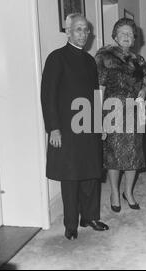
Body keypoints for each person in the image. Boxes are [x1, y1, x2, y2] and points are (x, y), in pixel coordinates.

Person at [41, 13, 108, 240]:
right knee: (70, 176)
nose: (83, 34)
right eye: (78, 29)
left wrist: (100, 124)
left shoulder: (90, 61)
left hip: (88, 125)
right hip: (66, 130)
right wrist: (53, 128)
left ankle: (90, 216)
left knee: (91, 173)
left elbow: (95, 95)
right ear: (68, 31)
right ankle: (70, 224)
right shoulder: (56, 58)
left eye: (86, 30)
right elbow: (47, 96)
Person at [95, 18, 146, 212]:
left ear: (134, 39)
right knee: (114, 155)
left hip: (134, 112)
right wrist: (98, 118)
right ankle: (114, 192)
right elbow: (98, 87)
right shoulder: (104, 58)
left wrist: (144, 92)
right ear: (115, 36)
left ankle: (128, 192)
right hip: (112, 111)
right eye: (122, 33)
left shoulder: (139, 61)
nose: (126, 37)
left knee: (133, 155)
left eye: (130, 34)